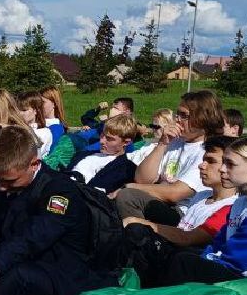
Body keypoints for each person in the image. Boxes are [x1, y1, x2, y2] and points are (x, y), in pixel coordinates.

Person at [0, 124, 122, 295]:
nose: (2, 187)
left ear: (34, 164)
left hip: (61, 270)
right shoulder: (3, 188)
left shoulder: (59, 191)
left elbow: (33, 238)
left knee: (17, 277)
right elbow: (3, 233)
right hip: (25, 259)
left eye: (9, 181)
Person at [137, 137, 247, 286]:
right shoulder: (244, 200)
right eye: (223, 162)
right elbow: (220, 241)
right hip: (238, 265)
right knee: (172, 253)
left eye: (230, 164)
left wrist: (202, 258)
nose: (222, 169)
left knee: (183, 262)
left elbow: (238, 261)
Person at [123, 135, 237, 282]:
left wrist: (141, 222)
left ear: (229, 166)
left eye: (211, 161)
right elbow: (181, 227)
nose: (201, 165)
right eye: (203, 160)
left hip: (186, 264)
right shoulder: (202, 195)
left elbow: (187, 238)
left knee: (136, 231)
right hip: (173, 251)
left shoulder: (231, 207)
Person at [115, 90, 225, 222]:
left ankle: (137, 233)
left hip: (183, 212)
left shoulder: (208, 151)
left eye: (184, 115)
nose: (177, 119)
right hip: (161, 202)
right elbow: (142, 179)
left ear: (203, 119)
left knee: (127, 196)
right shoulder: (174, 141)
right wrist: (162, 144)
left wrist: (130, 186)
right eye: (177, 114)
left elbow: (176, 193)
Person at [67, 113, 138, 193]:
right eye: (102, 135)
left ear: (126, 142)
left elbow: (95, 194)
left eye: (109, 139)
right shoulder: (84, 154)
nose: (101, 141)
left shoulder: (123, 168)